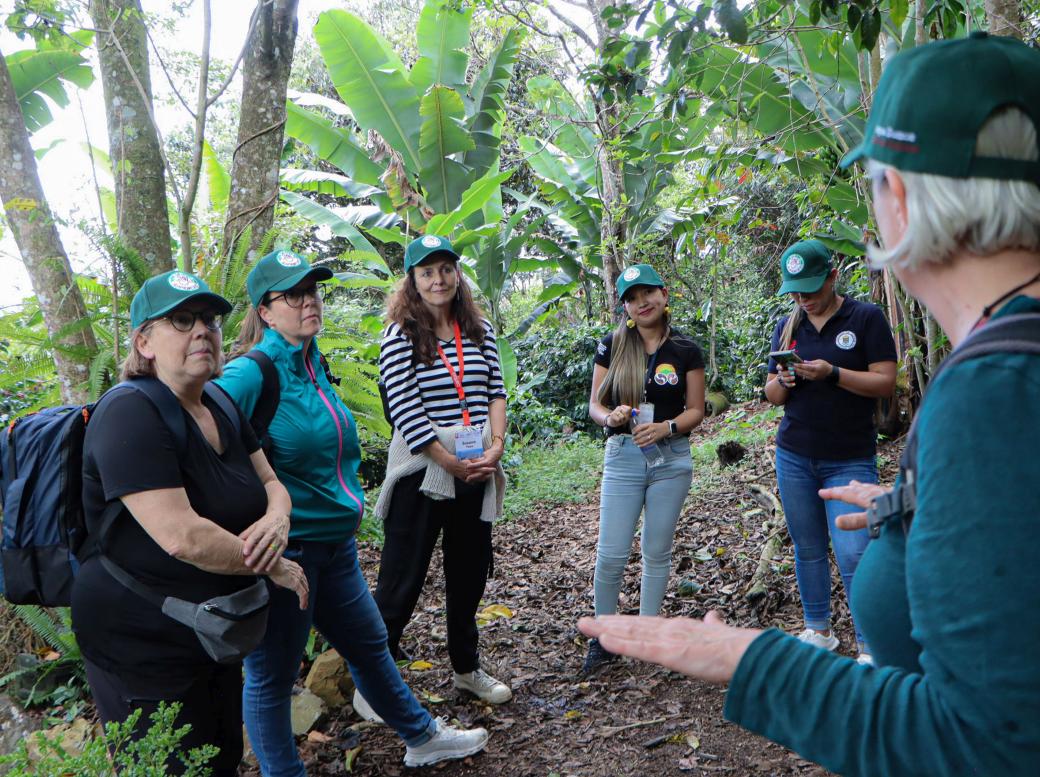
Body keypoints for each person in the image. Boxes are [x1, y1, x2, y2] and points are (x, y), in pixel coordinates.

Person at [581, 32, 1040, 777]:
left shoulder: (995, 390)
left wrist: (750, 660)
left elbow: (986, 743)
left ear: (898, 195)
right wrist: (918, 505)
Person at [217, 249, 488, 773]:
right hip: (289, 552)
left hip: (334, 548)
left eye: (313, 292)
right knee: (271, 676)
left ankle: (421, 737)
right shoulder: (253, 373)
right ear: (265, 311)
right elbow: (205, 439)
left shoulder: (313, 363)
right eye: (293, 296)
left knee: (369, 646)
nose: (308, 302)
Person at [72, 271, 309, 777]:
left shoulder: (218, 401)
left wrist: (278, 520)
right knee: (169, 765)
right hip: (142, 642)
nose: (202, 330)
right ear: (144, 342)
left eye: (210, 320)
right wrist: (274, 567)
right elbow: (182, 537)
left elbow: (273, 484)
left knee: (219, 756)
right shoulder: (129, 413)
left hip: (210, 628)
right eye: (181, 320)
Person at [370, 234, 510, 705]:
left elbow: (495, 390)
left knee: (468, 573)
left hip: (476, 464)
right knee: (401, 577)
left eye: (445, 269)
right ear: (412, 281)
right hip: (421, 470)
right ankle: (374, 682)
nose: (438, 279)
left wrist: (496, 446)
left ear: (457, 274)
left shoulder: (480, 331)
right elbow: (404, 410)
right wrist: (448, 460)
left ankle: (467, 668)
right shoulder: (400, 335)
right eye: (427, 272)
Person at [763, 239, 897, 662]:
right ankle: (818, 629)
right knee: (807, 547)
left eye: (811, 290)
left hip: (850, 456)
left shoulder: (865, 319)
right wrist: (782, 383)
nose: (805, 300)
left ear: (833, 276)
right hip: (795, 454)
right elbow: (771, 393)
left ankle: (870, 643)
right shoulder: (788, 326)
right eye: (796, 292)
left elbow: (884, 382)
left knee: (855, 552)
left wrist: (833, 373)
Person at [583, 264, 705, 673]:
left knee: (656, 550)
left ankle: (650, 634)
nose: (642, 303)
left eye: (648, 293)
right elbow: (593, 406)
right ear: (625, 307)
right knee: (612, 552)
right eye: (633, 298)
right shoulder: (613, 345)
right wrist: (610, 418)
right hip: (623, 455)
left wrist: (666, 427)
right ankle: (604, 638)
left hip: (671, 459)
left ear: (664, 294)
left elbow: (696, 410)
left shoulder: (686, 349)